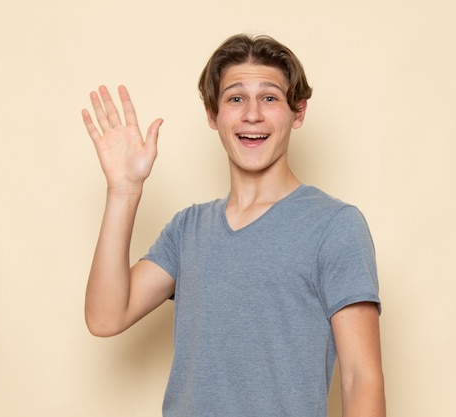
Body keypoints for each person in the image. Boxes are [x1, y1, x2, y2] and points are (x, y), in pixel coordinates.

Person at [82, 33, 385, 417]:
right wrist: (123, 192)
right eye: (236, 98)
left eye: (270, 97)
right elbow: (105, 317)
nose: (252, 114)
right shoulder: (188, 229)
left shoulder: (334, 225)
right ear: (213, 115)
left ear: (298, 112)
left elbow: (361, 378)